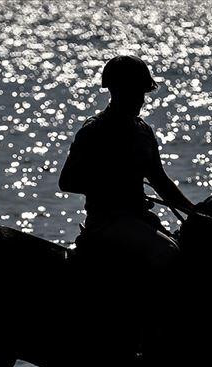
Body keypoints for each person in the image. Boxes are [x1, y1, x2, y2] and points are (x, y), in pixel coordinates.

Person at [59, 55, 195, 272]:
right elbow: (67, 181)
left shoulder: (143, 131)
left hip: (139, 218)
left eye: (142, 93)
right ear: (117, 91)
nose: (140, 99)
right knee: (167, 252)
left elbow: (160, 180)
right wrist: (115, 187)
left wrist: (194, 212)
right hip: (106, 222)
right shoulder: (94, 131)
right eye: (135, 92)